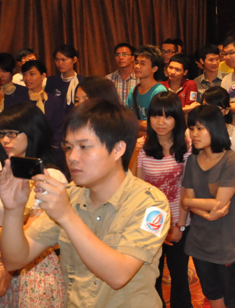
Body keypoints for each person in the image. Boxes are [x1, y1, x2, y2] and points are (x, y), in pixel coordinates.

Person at [0, 99, 170, 308]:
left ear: (118, 149)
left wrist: (66, 216)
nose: (72, 157)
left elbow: (119, 275)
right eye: (68, 147)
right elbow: (15, 260)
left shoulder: (150, 203)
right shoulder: (71, 195)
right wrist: (13, 209)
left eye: (84, 147)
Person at [0, 102, 66, 307]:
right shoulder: (6, 173)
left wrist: (7, 272)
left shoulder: (51, 176)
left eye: (12, 133)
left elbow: (35, 229)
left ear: (32, 132)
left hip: (34, 270)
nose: (5, 140)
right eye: (2, 134)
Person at [181, 105, 235, 308]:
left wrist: (189, 203)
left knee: (232, 300)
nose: (194, 134)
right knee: (212, 293)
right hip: (200, 243)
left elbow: (218, 204)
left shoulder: (231, 161)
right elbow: (188, 199)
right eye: (191, 128)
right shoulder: (193, 160)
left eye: (200, 128)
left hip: (227, 245)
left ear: (215, 128)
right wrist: (206, 213)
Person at [135, 92, 192, 308]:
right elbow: (138, 190)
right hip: (151, 224)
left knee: (179, 278)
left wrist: (180, 226)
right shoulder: (142, 146)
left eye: (168, 116)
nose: (161, 122)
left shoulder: (186, 146)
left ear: (177, 118)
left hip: (179, 222)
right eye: (156, 115)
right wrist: (155, 227)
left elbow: (187, 188)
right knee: (152, 278)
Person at [22, 60, 66, 157]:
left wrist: (52, 147)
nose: (27, 78)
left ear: (43, 76)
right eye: (24, 74)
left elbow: (59, 128)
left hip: (49, 151)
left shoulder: (54, 101)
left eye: (32, 74)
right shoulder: (20, 100)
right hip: (24, 150)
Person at [127, 45, 168, 134]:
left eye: (143, 63)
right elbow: (126, 120)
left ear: (154, 68)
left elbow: (159, 124)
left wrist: (136, 123)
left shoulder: (159, 91)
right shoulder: (133, 90)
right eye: (136, 62)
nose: (137, 66)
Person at [201, 86, 235, 155]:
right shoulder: (192, 131)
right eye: (206, 106)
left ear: (226, 110)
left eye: (215, 108)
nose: (209, 111)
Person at [45, 44, 85, 113]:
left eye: (63, 60)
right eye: (57, 60)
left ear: (74, 60)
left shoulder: (83, 81)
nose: (60, 63)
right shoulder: (51, 81)